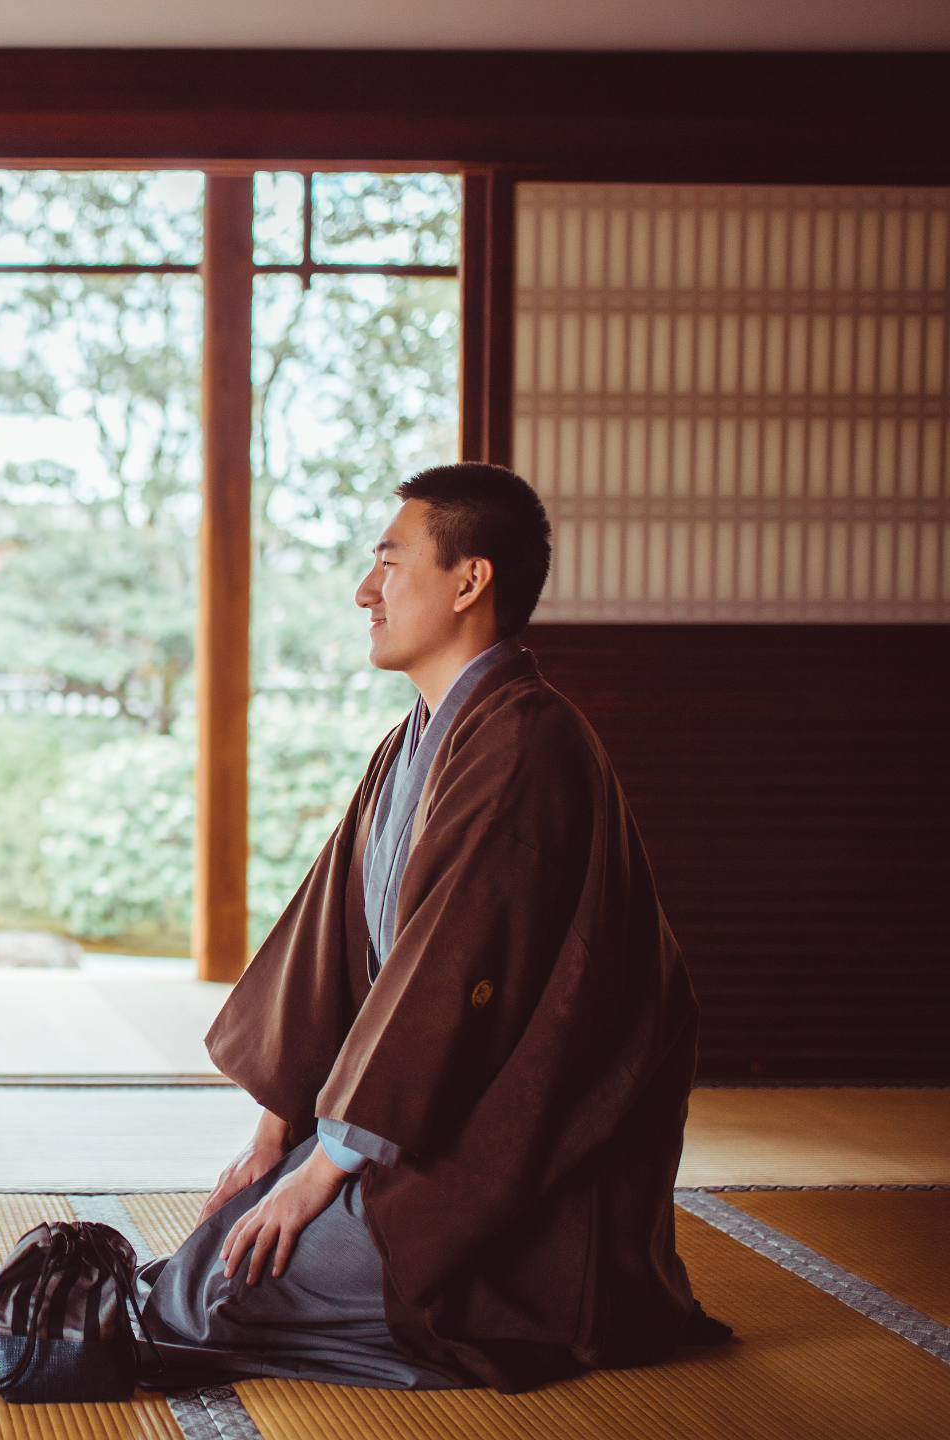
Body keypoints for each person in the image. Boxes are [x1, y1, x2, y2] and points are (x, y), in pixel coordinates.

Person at [140, 463, 726, 1394]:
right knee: (223, 1252)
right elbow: (328, 947)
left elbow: (447, 981)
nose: (365, 591)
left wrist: (320, 1170)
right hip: (414, 1128)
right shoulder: (416, 740)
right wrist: (276, 1136)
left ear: (469, 580)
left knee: (226, 1289)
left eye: (389, 562)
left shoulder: (527, 744)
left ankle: (541, 1308)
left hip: (514, 1167)